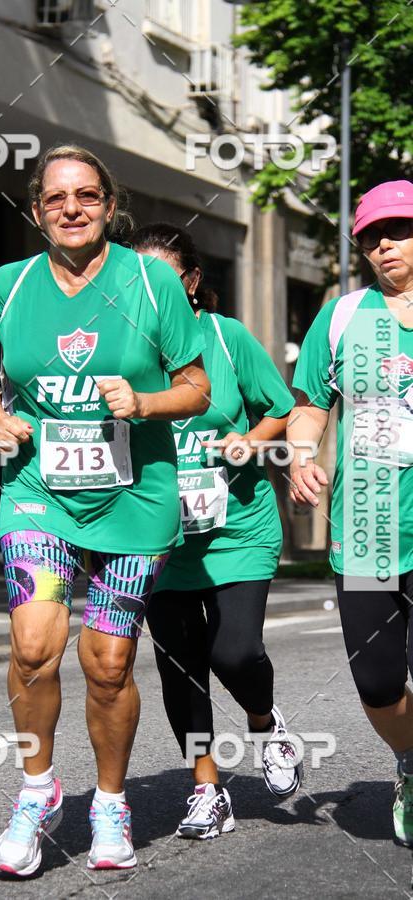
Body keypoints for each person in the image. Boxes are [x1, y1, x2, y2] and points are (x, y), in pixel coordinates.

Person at [0, 146, 210, 875]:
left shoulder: (152, 283)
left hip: (136, 498)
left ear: (110, 205)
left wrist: (147, 402)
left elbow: (197, 386)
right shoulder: (7, 286)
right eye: (56, 198)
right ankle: (37, 792)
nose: (72, 208)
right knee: (33, 646)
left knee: (108, 663)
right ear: (37, 210)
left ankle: (109, 802)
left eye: (87, 196)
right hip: (38, 493)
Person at [131, 223, 302, 841]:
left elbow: (280, 407)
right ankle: (206, 788)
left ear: (193, 281)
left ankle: (264, 721)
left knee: (235, 653)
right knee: (180, 670)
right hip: (159, 538)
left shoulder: (225, 338)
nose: (151, 292)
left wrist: (250, 441)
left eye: (164, 278)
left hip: (237, 530)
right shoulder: (123, 348)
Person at [288, 180, 413, 847]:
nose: (383, 244)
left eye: (398, 230)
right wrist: (300, 454)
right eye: (370, 236)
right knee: (377, 681)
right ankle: (410, 762)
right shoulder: (340, 318)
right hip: (367, 529)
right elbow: (310, 403)